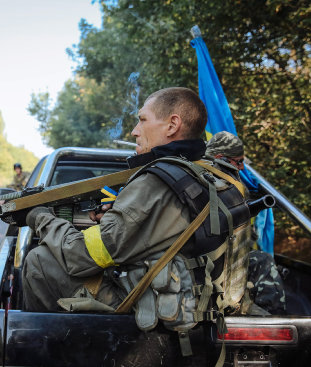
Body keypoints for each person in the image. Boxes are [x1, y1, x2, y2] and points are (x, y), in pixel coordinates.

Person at [21, 87, 258, 353]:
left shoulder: (157, 180)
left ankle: (50, 356)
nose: (135, 130)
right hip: (212, 311)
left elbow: (81, 256)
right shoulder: (218, 179)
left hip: (158, 318)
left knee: (39, 261)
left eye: (143, 120)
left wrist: (39, 216)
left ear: (172, 125)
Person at [206, 131, 286, 314]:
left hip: (201, 271)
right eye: (238, 161)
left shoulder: (186, 177)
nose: (242, 168)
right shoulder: (229, 189)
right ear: (220, 158)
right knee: (263, 260)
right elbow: (240, 241)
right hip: (213, 272)